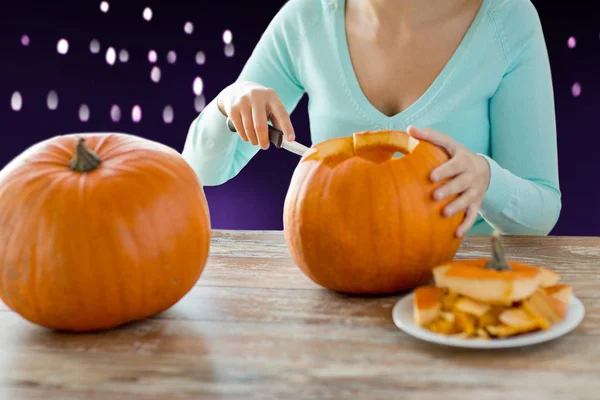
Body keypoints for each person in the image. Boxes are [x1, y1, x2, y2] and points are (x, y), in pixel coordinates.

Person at [182, 0, 561, 237]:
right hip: (337, 283)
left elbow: (542, 210)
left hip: (460, 286)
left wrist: (484, 179)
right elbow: (203, 172)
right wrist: (228, 104)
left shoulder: (508, 19)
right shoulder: (305, 18)